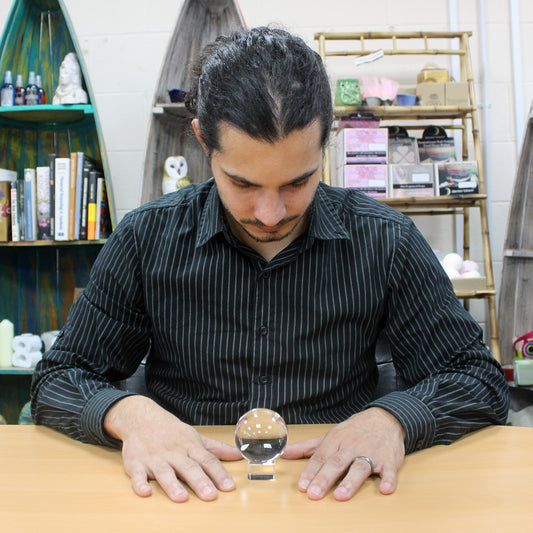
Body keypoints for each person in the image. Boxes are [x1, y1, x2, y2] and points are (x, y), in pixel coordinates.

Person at [31, 26, 509, 503]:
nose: (271, 214)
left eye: (297, 182)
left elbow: (477, 378)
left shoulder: (387, 240)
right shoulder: (144, 239)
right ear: (202, 140)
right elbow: (58, 378)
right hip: (185, 492)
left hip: (342, 493)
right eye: (243, 184)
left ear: (328, 138)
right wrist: (131, 414)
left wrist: (393, 419)